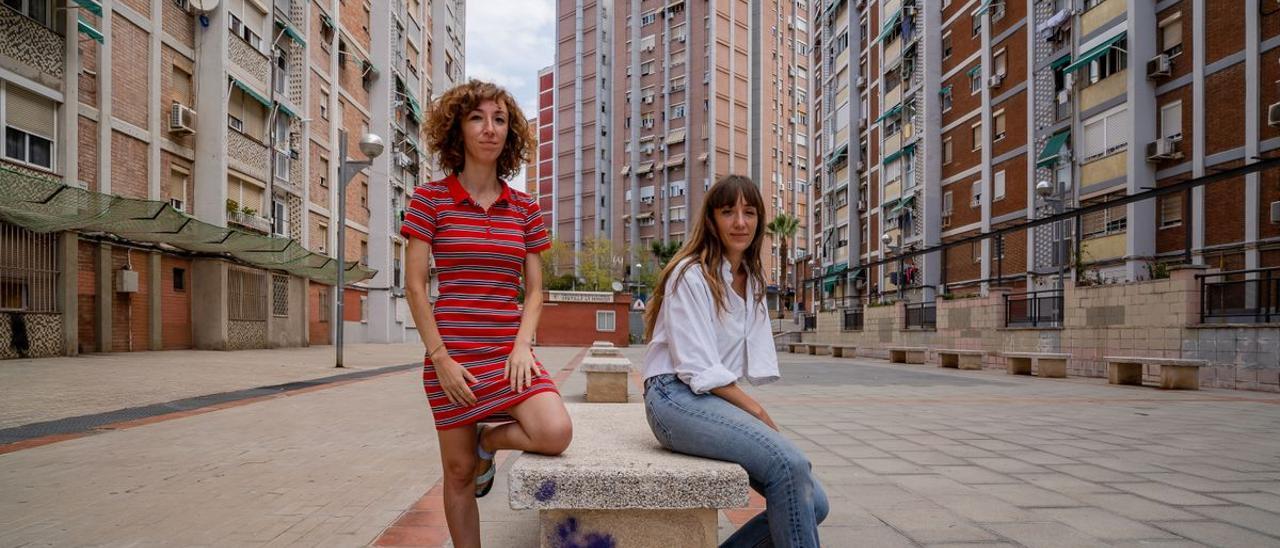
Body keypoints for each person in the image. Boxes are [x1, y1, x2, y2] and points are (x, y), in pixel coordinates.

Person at [401, 80, 572, 548]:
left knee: (555, 431)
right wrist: (440, 359)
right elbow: (415, 286)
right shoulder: (430, 200)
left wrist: (522, 346)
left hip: (507, 352)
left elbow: (535, 291)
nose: (489, 128)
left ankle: (487, 444)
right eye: (477, 117)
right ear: (458, 129)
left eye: (499, 119)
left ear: (510, 133)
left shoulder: (524, 209)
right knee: (457, 476)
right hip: (452, 357)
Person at [641, 175, 829, 548]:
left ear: (759, 220)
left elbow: (726, 370)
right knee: (790, 467)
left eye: (749, 212)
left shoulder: (752, 281)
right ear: (712, 220)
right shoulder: (691, 274)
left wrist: (752, 413)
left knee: (813, 501)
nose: (740, 222)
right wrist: (757, 413)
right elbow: (695, 368)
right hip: (672, 397)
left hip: (708, 398)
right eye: (728, 212)